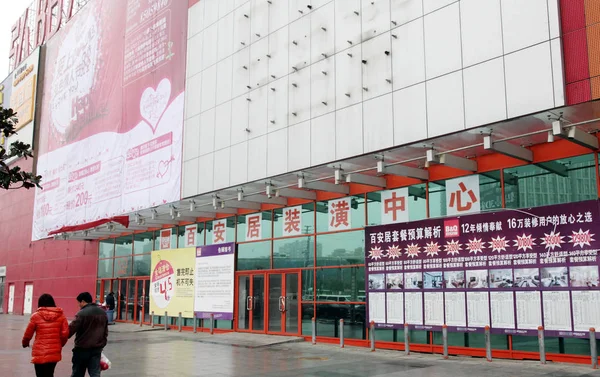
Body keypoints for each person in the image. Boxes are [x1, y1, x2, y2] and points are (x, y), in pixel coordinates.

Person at [22, 293, 69, 377]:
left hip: (39, 351)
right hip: (54, 351)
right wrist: (60, 344)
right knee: (50, 373)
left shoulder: (36, 316)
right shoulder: (61, 316)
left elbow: (28, 334)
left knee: (40, 374)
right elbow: (65, 334)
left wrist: (25, 343)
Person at [68, 292, 108, 377]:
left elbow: (70, 330)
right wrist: (102, 344)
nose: (78, 305)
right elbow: (105, 331)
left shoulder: (81, 314)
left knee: (77, 373)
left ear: (82, 301)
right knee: (95, 374)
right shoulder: (103, 313)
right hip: (97, 349)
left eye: (78, 303)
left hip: (82, 349)